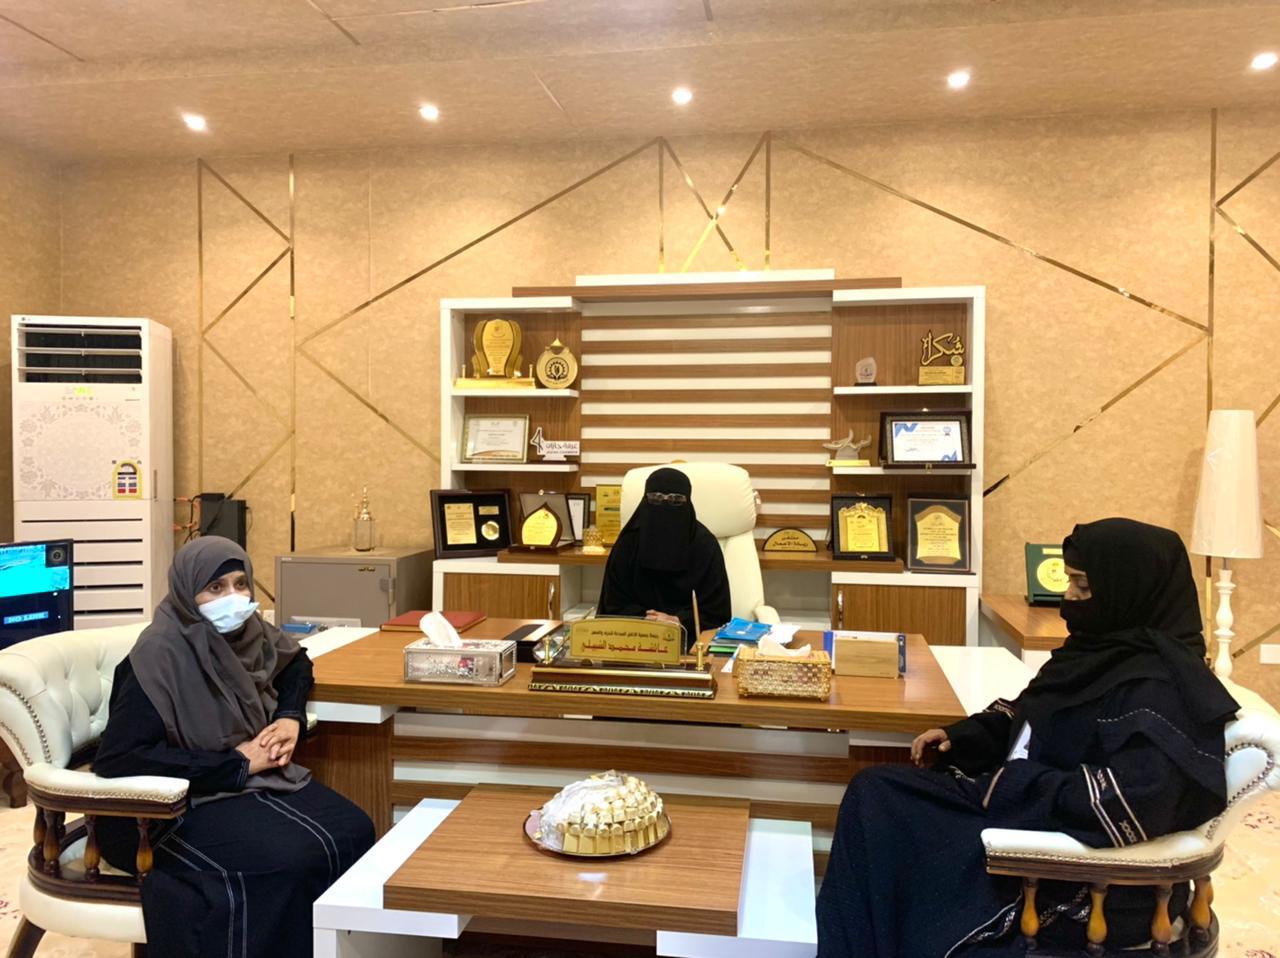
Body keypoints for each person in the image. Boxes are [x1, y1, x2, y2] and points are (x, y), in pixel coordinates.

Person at [816, 517, 1240, 956]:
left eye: (1083, 586)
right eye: (1069, 582)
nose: (1068, 597)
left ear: (1128, 590)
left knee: (887, 813)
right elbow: (1032, 713)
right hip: (1025, 812)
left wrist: (1010, 784)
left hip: (1076, 875)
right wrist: (964, 737)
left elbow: (1129, 804)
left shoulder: (1159, 686)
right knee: (876, 791)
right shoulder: (1095, 652)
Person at [94, 536, 375, 958]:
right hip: (163, 811)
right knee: (288, 859)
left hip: (236, 785)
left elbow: (296, 662)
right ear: (187, 592)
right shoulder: (158, 655)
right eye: (215, 588)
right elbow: (120, 758)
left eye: (240, 584)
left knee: (354, 829)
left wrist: (290, 716)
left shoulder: (251, 634)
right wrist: (236, 764)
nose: (234, 598)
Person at [597, 467, 733, 644]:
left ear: (688, 502)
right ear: (645, 500)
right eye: (656, 498)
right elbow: (613, 605)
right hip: (634, 639)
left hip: (690, 642)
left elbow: (716, 612)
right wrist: (648, 620)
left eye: (676, 500)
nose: (665, 505)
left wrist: (678, 621)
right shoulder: (628, 544)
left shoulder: (705, 546)